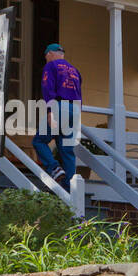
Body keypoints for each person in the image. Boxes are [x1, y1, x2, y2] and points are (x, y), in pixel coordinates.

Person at [33, 43, 83, 184]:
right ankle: (70, 189)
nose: (46, 59)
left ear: (50, 54)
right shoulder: (75, 71)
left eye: (46, 56)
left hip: (59, 107)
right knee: (67, 150)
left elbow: (48, 89)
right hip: (75, 110)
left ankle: (54, 168)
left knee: (39, 141)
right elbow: (79, 91)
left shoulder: (51, 66)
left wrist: (50, 111)